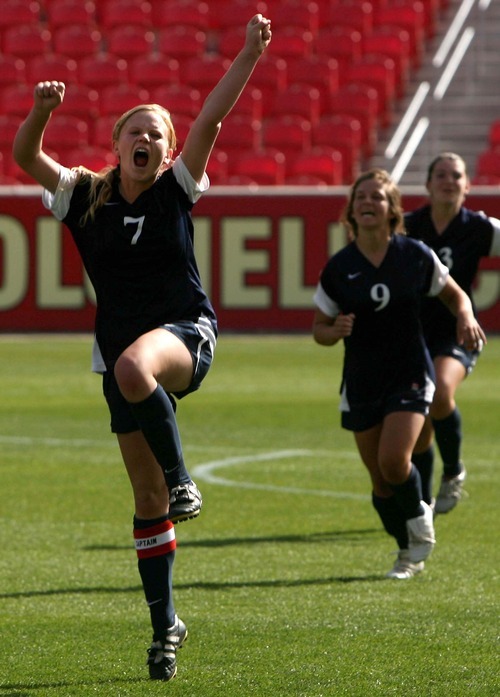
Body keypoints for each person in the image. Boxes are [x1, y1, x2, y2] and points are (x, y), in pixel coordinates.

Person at [13, 14, 272, 682]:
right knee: (147, 500)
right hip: (123, 365)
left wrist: (246, 52)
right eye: (137, 130)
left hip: (185, 335)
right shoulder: (85, 196)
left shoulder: (174, 192)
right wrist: (41, 112)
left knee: (135, 367)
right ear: (117, 141)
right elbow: (23, 158)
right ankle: (166, 629)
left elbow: (211, 121)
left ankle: (186, 476)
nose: (147, 139)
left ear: (167, 149)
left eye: (157, 133)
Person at [312, 169, 486, 580]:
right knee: (381, 485)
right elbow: (319, 328)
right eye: (361, 198)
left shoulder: (414, 255)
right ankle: (407, 551)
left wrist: (464, 316)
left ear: (392, 209)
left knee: (394, 462)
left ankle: (420, 521)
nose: (368, 203)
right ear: (351, 212)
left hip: (410, 371)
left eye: (377, 197)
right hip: (361, 381)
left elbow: (454, 294)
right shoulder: (339, 268)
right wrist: (331, 331)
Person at [405, 153, 500, 514]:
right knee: (418, 418)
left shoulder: (477, 227)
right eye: (440, 174)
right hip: (411, 334)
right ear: (428, 185)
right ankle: (423, 502)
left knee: (440, 391)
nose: (448, 180)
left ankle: (453, 471)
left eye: (456, 175)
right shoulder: (408, 226)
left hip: (457, 332)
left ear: (467, 185)